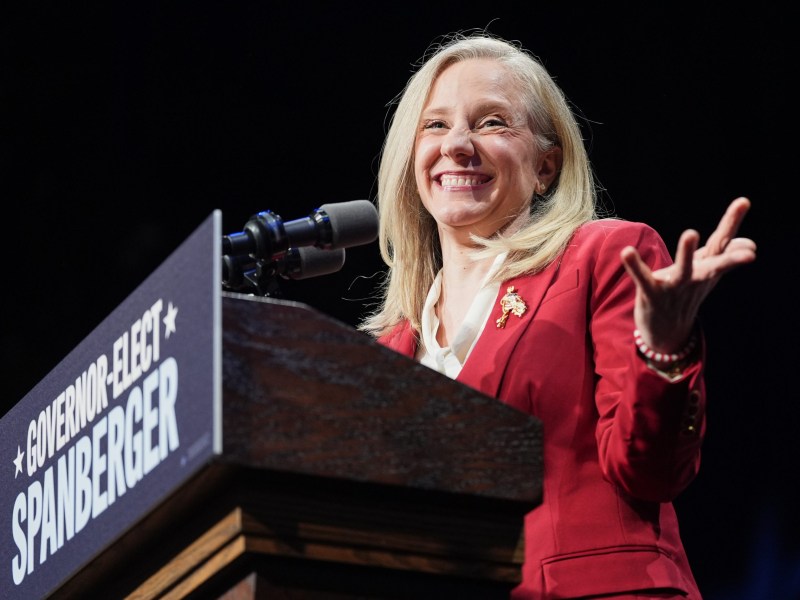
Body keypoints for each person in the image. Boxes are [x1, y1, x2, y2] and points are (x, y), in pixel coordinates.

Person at [358, 32, 756, 599]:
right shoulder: (386, 350)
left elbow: (653, 472)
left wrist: (664, 350)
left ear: (545, 167)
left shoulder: (604, 258)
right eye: (436, 125)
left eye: (492, 122)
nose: (458, 145)